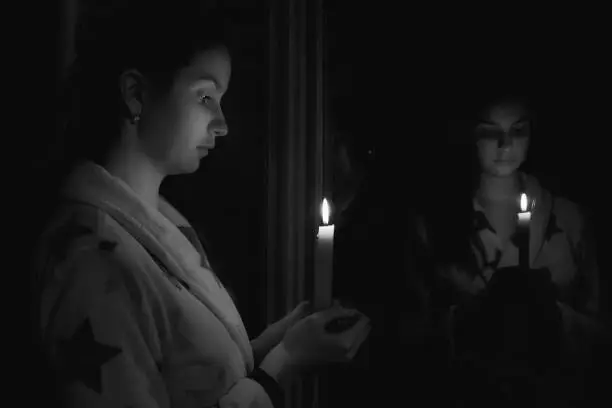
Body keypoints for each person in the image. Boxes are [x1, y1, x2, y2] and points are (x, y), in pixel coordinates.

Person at [31, 3, 370, 407]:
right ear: (136, 95)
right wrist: (286, 363)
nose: (222, 124)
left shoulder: (160, 224)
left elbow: (195, 380)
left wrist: (278, 343)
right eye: (205, 97)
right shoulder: (87, 261)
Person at [413, 91, 611, 405]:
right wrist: (475, 319)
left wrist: (554, 317)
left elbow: (601, 331)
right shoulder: (437, 224)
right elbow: (414, 338)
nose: (505, 146)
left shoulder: (569, 219)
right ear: (470, 135)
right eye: (490, 133)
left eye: (517, 131)